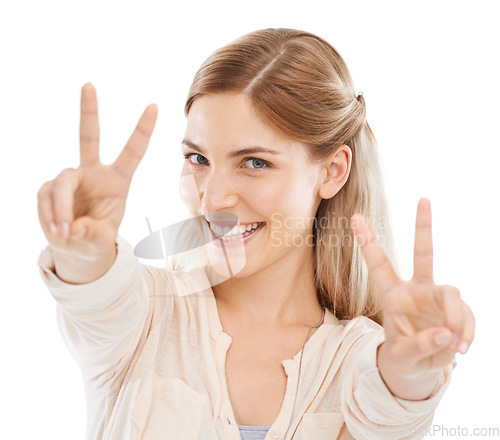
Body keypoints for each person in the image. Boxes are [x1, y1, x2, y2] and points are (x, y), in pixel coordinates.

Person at [37, 28, 475, 440]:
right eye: (197, 158)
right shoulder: (143, 319)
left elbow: (390, 405)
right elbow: (97, 298)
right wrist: (83, 248)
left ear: (333, 171)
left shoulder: (362, 358)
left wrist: (412, 368)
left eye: (255, 162)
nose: (212, 199)